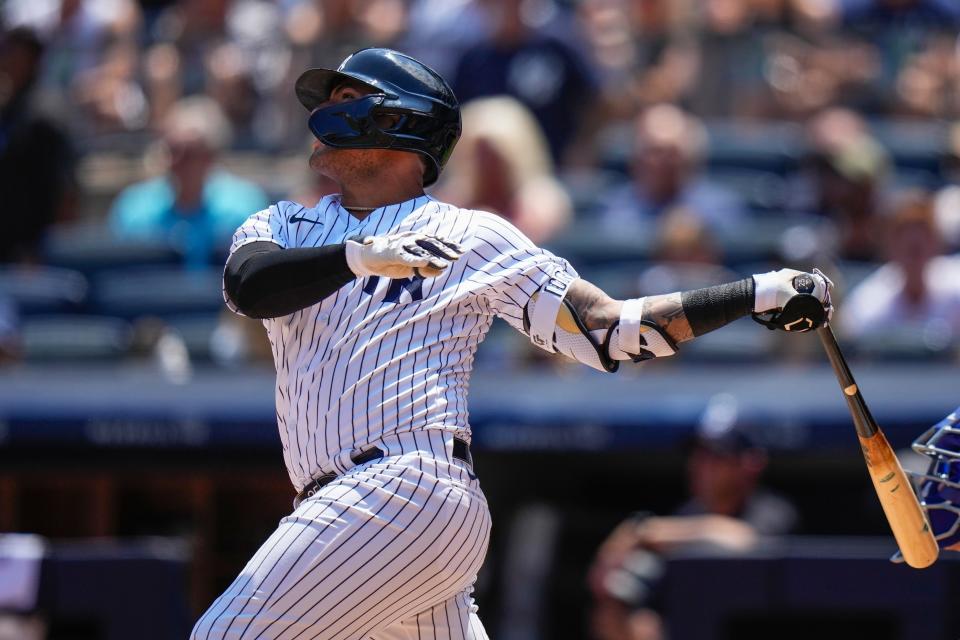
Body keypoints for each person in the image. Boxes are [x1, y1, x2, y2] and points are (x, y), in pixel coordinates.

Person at [194, 47, 834, 639]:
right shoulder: (284, 221)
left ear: (398, 119)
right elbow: (250, 287)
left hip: (402, 484)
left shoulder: (471, 235)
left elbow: (609, 334)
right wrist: (358, 256)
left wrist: (756, 293)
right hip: (356, 508)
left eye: (345, 97)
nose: (323, 114)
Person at [588, 394, 798, 640]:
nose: (701, 465)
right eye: (699, 454)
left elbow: (744, 540)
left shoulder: (771, 510)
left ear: (750, 463)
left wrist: (646, 531)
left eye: (716, 456)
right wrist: (613, 598)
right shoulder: (686, 515)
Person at [108, 96, 269, 269]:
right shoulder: (134, 207)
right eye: (172, 150)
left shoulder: (246, 208)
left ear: (211, 157)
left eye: (189, 153)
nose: (176, 162)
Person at [598, 103, 747, 239]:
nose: (662, 162)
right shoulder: (614, 212)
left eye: (672, 152)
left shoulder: (720, 210)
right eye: (654, 151)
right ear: (635, 156)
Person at [841, 189, 960, 344]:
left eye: (924, 230)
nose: (915, 240)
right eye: (903, 233)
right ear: (890, 246)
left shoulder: (956, 286)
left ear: (936, 241)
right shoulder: (869, 304)